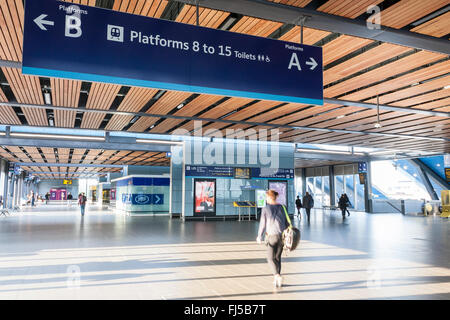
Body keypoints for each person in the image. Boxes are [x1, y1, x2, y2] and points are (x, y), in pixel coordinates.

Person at [256, 189, 290, 288]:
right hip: (282, 236)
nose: (266, 199)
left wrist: (259, 236)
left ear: (270, 197)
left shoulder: (266, 208)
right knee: (277, 258)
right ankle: (277, 280)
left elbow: (262, 224)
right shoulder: (283, 207)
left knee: (270, 258)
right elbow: (287, 222)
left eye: (266, 197)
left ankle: (277, 275)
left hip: (271, 236)